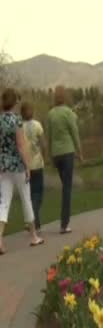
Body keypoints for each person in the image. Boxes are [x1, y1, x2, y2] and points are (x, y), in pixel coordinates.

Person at [0, 89, 44, 254]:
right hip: (17, 165)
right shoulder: (16, 120)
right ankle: (34, 236)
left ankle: (0, 239)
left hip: (3, 167)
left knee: (4, 202)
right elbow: (20, 144)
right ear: (14, 102)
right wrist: (27, 166)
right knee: (26, 199)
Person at [47, 85, 82, 234]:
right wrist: (80, 151)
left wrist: (50, 155)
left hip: (56, 154)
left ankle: (64, 221)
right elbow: (74, 132)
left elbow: (49, 136)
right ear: (65, 97)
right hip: (67, 152)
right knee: (67, 188)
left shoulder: (50, 114)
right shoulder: (68, 112)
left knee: (64, 185)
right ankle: (64, 223)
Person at [21, 101, 46, 232]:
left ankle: (35, 223)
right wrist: (45, 157)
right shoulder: (37, 125)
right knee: (38, 193)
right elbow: (43, 144)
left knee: (29, 195)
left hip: (24, 165)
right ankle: (32, 220)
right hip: (36, 163)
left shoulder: (19, 126)